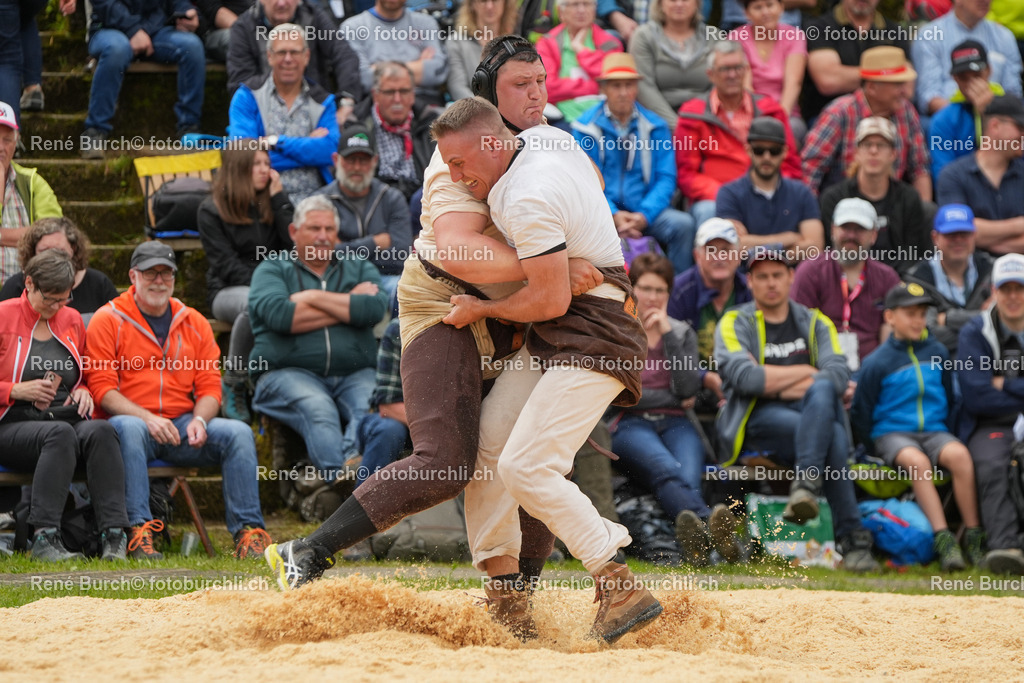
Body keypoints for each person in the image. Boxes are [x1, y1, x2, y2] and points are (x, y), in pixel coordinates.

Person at [263, 36, 578, 611]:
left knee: (531, 457)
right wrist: (553, 267)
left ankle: (516, 601)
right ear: (488, 95)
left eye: (540, 82)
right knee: (446, 460)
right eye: (519, 85)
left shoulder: (552, 144)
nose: (536, 95)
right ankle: (308, 550)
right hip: (446, 303)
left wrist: (556, 270)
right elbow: (459, 252)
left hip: (516, 307)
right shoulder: (455, 154)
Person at [431, 97, 661, 643]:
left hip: (597, 330)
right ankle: (505, 594)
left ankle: (617, 582)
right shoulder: (546, 139)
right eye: (447, 166)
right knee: (490, 441)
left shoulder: (526, 195)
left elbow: (551, 299)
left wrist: (482, 308)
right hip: (567, 330)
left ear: (492, 143)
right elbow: (595, 184)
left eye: (460, 164)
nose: (455, 177)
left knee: (528, 467)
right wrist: (575, 241)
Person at [86, 241, 271, 560]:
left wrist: (200, 420)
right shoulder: (108, 319)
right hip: (132, 427)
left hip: (182, 425)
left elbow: (211, 388)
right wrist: (148, 418)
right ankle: (138, 532)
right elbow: (103, 390)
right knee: (129, 427)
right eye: (150, 273)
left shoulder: (194, 322)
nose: (159, 280)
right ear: (133, 276)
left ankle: (248, 534)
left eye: (166, 273)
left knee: (238, 433)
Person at [714, 246, 879, 572]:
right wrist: (809, 373)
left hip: (808, 416)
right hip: (757, 420)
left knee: (825, 411)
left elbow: (837, 374)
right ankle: (853, 539)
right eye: (762, 276)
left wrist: (777, 381)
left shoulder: (816, 321)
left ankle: (806, 486)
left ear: (791, 277)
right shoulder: (734, 321)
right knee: (828, 425)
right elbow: (746, 379)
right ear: (750, 281)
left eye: (778, 274)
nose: (771, 283)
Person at [607, 253, 738, 566]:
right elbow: (623, 395)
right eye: (646, 288)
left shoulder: (680, 332)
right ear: (631, 289)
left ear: (668, 293)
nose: (653, 297)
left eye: (660, 290)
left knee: (687, 477)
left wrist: (668, 335)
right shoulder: (620, 329)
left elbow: (686, 389)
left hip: (677, 421)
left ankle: (698, 551)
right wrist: (667, 396)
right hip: (630, 422)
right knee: (667, 468)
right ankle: (715, 532)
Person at [0, 250, 129, 561]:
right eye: (50, 300)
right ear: (28, 283)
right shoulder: (4, 316)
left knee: (100, 430)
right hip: (12, 423)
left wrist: (83, 390)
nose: (57, 307)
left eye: (64, 299)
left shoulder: (71, 320)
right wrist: (14, 389)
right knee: (59, 434)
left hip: (64, 417)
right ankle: (44, 537)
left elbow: (81, 374)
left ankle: (114, 535)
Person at [249, 195, 388, 477]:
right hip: (286, 372)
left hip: (355, 371)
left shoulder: (357, 265)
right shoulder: (272, 267)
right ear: (293, 232)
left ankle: (352, 465)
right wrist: (348, 303)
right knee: (318, 409)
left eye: (329, 230)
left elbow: (373, 308)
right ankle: (340, 480)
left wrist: (312, 297)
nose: (323, 236)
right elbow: (280, 316)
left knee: (370, 404)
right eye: (314, 229)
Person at [851, 281, 985, 571]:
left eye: (922, 313)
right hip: (892, 435)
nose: (918, 320)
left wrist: (944, 431)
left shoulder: (937, 351)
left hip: (935, 430)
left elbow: (949, 397)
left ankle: (974, 536)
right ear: (890, 317)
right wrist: (876, 444)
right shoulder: (877, 362)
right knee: (917, 461)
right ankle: (944, 539)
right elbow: (861, 412)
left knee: (960, 456)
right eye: (909, 313)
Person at [197, 141, 294, 423]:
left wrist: (279, 201)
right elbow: (225, 265)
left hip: (275, 286)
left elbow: (296, 245)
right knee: (255, 304)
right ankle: (234, 380)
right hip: (227, 290)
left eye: (267, 163)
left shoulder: (270, 203)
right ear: (239, 168)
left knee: (269, 302)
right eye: (257, 164)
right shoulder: (210, 210)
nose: (266, 170)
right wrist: (268, 288)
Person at [572, 53, 696, 274]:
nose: (622, 92)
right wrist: (612, 214)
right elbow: (584, 180)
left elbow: (666, 177)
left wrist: (643, 216)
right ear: (604, 89)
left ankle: (675, 296)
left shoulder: (655, 126)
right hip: (601, 213)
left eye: (628, 85)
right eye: (615, 85)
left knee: (683, 226)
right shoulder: (585, 127)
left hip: (647, 211)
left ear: (636, 88)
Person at [676, 41, 801, 230]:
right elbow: (686, 174)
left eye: (738, 68)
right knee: (709, 212)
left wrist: (766, 192)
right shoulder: (692, 114)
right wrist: (729, 195)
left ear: (746, 71)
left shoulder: (771, 110)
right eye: (725, 69)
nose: (732, 75)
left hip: (767, 191)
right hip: (714, 197)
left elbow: (789, 164)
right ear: (711, 74)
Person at [956, 253, 1024, 575]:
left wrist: (1005, 383)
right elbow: (976, 396)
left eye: (1020, 288)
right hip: (990, 422)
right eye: (1005, 288)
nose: (1013, 296)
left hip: (1008, 409)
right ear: (994, 291)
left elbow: (991, 389)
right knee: (993, 463)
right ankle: (1005, 548)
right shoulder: (975, 332)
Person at [228, 24, 341, 204]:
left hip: (317, 202)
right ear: (269, 57)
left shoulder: (323, 101)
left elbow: (329, 152)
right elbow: (244, 156)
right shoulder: (247, 96)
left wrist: (274, 142)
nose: (288, 59)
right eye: (281, 52)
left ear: (306, 56)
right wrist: (308, 146)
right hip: (260, 201)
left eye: (294, 52)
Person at [802, 46, 931, 201]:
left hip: (892, 208)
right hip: (843, 208)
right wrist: (811, 218)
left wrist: (923, 213)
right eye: (897, 84)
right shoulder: (839, 113)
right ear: (871, 88)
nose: (905, 91)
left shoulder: (907, 111)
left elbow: (919, 168)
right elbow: (811, 168)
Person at [82, 0, 205, 156]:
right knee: (117, 50)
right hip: (108, 28)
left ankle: (189, 129)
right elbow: (104, 4)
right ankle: (94, 132)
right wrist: (133, 30)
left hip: (153, 31)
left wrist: (185, 11)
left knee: (191, 47)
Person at [791, 198, 900, 366]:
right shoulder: (809, 271)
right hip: (820, 366)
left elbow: (892, 332)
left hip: (872, 370)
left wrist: (880, 372)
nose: (851, 235)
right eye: (845, 228)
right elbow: (798, 329)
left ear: (874, 235)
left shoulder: (887, 277)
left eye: (860, 229)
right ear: (833, 230)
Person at [819, 117, 930, 276]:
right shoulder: (834, 198)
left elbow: (914, 255)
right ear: (856, 153)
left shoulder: (909, 198)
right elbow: (830, 252)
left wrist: (889, 282)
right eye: (867, 145)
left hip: (897, 282)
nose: (873, 151)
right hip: (846, 278)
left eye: (881, 145)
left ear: (893, 154)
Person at [313, 123, 411, 298]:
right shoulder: (320, 202)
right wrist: (374, 243)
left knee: (402, 290)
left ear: (375, 161)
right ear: (336, 160)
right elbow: (319, 256)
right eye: (350, 160)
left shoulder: (392, 198)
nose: (357, 167)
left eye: (364, 160)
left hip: (385, 279)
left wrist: (341, 248)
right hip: (336, 280)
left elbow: (400, 256)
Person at [667, 217, 751, 412]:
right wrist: (707, 378)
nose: (719, 257)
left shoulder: (750, 290)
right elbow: (670, 352)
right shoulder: (679, 291)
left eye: (726, 250)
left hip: (742, 382)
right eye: (711, 250)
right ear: (697, 256)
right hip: (690, 388)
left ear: (739, 256)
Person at [227, 0, 363, 110]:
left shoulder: (313, 15)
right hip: (263, 114)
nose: (281, 3)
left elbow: (344, 55)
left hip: (316, 109)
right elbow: (240, 83)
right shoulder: (243, 28)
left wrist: (346, 101)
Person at [715, 116, 823, 255]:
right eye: (759, 150)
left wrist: (753, 244)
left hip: (792, 275)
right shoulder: (729, 193)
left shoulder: (802, 192)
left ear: (784, 152)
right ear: (748, 150)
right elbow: (732, 248)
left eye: (774, 151)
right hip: (747, 275)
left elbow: (815, 247)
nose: (766, 157)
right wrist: (789, 238)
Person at [936, 95, 1024, 255]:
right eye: (1020, 128)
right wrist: (1019, 226)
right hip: (972, 274)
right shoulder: (953, 175)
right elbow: (956, 231)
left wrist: (985, 238)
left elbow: (968, 233)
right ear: (995, 126)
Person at [801, 0, 911, 123]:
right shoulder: (818, 27)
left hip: (887, 115)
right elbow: (828, 81)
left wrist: (848, 75)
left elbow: (908, 85)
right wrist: (888, 75)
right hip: (831, 118)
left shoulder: (895, 31)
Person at [905, 204, 993, 355]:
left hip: (988, 362)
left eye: (964, 234)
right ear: (935, 238)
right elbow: (925, 334)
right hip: (938, 365)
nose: (958, 240)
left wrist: (947, 319)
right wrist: (983, 318)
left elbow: (1005, 321)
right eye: (950, 235)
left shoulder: (993, 271)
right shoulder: (917, 279)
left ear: (974, 236)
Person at [910, 0, 1022, 117]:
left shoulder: (1004, 36)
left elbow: (1014, 94)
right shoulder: (930, 36)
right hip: (949, 118)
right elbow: (929, 98)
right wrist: (964, 117)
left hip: (998, 119)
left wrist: (989, 114)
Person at [0, 218, 118, 326]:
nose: (53, 258)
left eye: (59, 250)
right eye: (44, 251)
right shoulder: (15, 286)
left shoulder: (99, 284)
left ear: (73, 249)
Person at [352, 61, 441, 200]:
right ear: (375, 95)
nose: (397, 99)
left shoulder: (431, 124)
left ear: (413, 95)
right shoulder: (357, 126)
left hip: (422, 202)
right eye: (389, 92)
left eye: (404, 91)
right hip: (376, 203)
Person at [341, 0, 449, 107]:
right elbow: (365, 79)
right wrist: (420, 65)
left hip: (426, 102)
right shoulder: (352, 27)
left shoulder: (426, 22)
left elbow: (438, 72)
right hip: (376, 105)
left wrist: (378, 69)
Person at [0, 103, 61, 287]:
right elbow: (38, 235)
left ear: (16, 142)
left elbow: (54, 234)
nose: (0, 147)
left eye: (7, 140)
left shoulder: (32, 182)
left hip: (28, 292)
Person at [929, 40, 1009, 181]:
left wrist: (988, 115)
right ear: (955, 79)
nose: (972, 84)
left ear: (989, 71)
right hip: (964, 192)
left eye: (977, 75)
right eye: (963, 78)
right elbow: (943, 176)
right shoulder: (943, 120)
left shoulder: (1013, 110)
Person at [728, 0, 807, 141]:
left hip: (786, 113)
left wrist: (779, 118)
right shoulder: (736, 37)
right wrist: (759, 121)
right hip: (748, 112)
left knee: (792, 129)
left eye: (770, 5)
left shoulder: (794, 36)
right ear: (746, 13)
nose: (765, 12)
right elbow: (745, 86)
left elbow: (793, 83)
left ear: (781, 8)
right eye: (758, 7)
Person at [628, 0, 714, 129]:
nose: (679, 4)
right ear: (660, 4)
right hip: (657, 124)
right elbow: (644, 87)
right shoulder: (643, 36)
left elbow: (720, 85)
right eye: (672, 0)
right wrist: (677, 126)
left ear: (697, 3)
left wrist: (703, 121)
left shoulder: (714, 36)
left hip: (707, 120)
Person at [536, 0, 623, 123]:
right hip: (563, 119)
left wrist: (582, 51)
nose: (581, 10)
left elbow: (615, 80)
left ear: (594, 10)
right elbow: (547, 87)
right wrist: (595, 86)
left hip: (607, 118)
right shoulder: (547, 43)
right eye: (575, 4)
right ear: (561, 12)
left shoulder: (610, 43)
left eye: (587, 4)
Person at [446, 0, 519, 102]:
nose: (489, 6)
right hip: (474, 112)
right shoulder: (456, 42)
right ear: (472, 4)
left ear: (505, 4)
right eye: (483, 1)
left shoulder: (516, 43)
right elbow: (458, 89)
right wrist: (492, 112)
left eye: (495, 0)